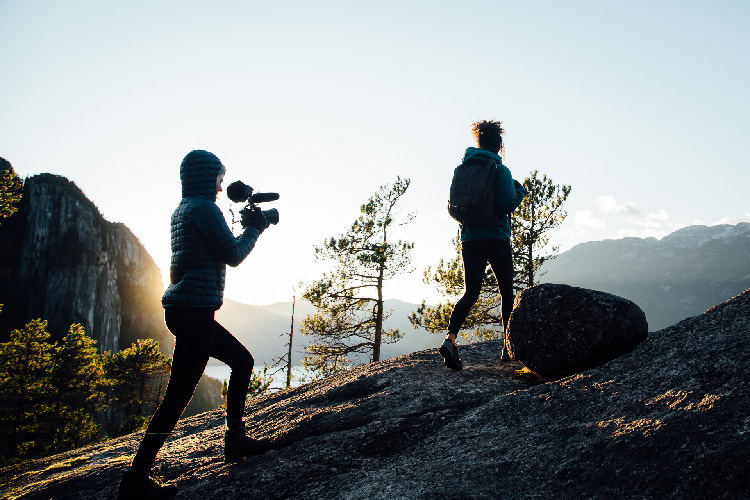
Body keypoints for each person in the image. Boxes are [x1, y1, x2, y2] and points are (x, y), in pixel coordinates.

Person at [117, 150, 273, 499]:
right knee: (176, 398)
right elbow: (232, 254)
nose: (221, 185)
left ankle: (235, 439)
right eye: (219, 177)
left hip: (187, 309)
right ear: (206, 177)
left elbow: (213, 249)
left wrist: (248, 225)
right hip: (194, 312)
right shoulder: (203, 208)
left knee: (242, 361)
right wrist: (257, 228)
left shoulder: (184, 208)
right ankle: (136, 478)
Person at [439, 120, 526, 370]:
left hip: (470, 239)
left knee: (471, 292)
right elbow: (507, 203)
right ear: (498, 145)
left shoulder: (463, 168)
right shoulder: (501, 171)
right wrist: (519, 192)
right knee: (505, 290)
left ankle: (450, 339)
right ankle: (508, 348)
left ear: (478, 143)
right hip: (497, 238)